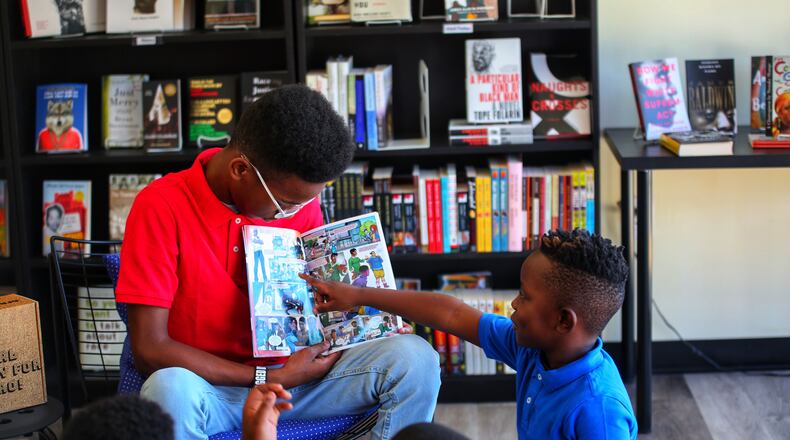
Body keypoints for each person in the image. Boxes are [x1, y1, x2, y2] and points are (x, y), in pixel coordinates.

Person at [116, 85, 440, 440]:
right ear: (240, 170)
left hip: (302, 384)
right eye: (286, 204)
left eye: (304, 204)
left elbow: (318, 309)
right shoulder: (160, 206)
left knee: (415, 359)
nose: (294, 213)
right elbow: (150, 349)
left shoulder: (299, 203)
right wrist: (268, 377)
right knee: (168, 390)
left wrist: (366, 328)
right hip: (212, 391)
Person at [303, 230, 638, 439]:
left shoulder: (600, 411)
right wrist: (359, 296)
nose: (514, 303)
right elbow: (451, 313)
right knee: (419, 436)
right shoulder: (536, 350)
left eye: (525, 296)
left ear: (564, 321)